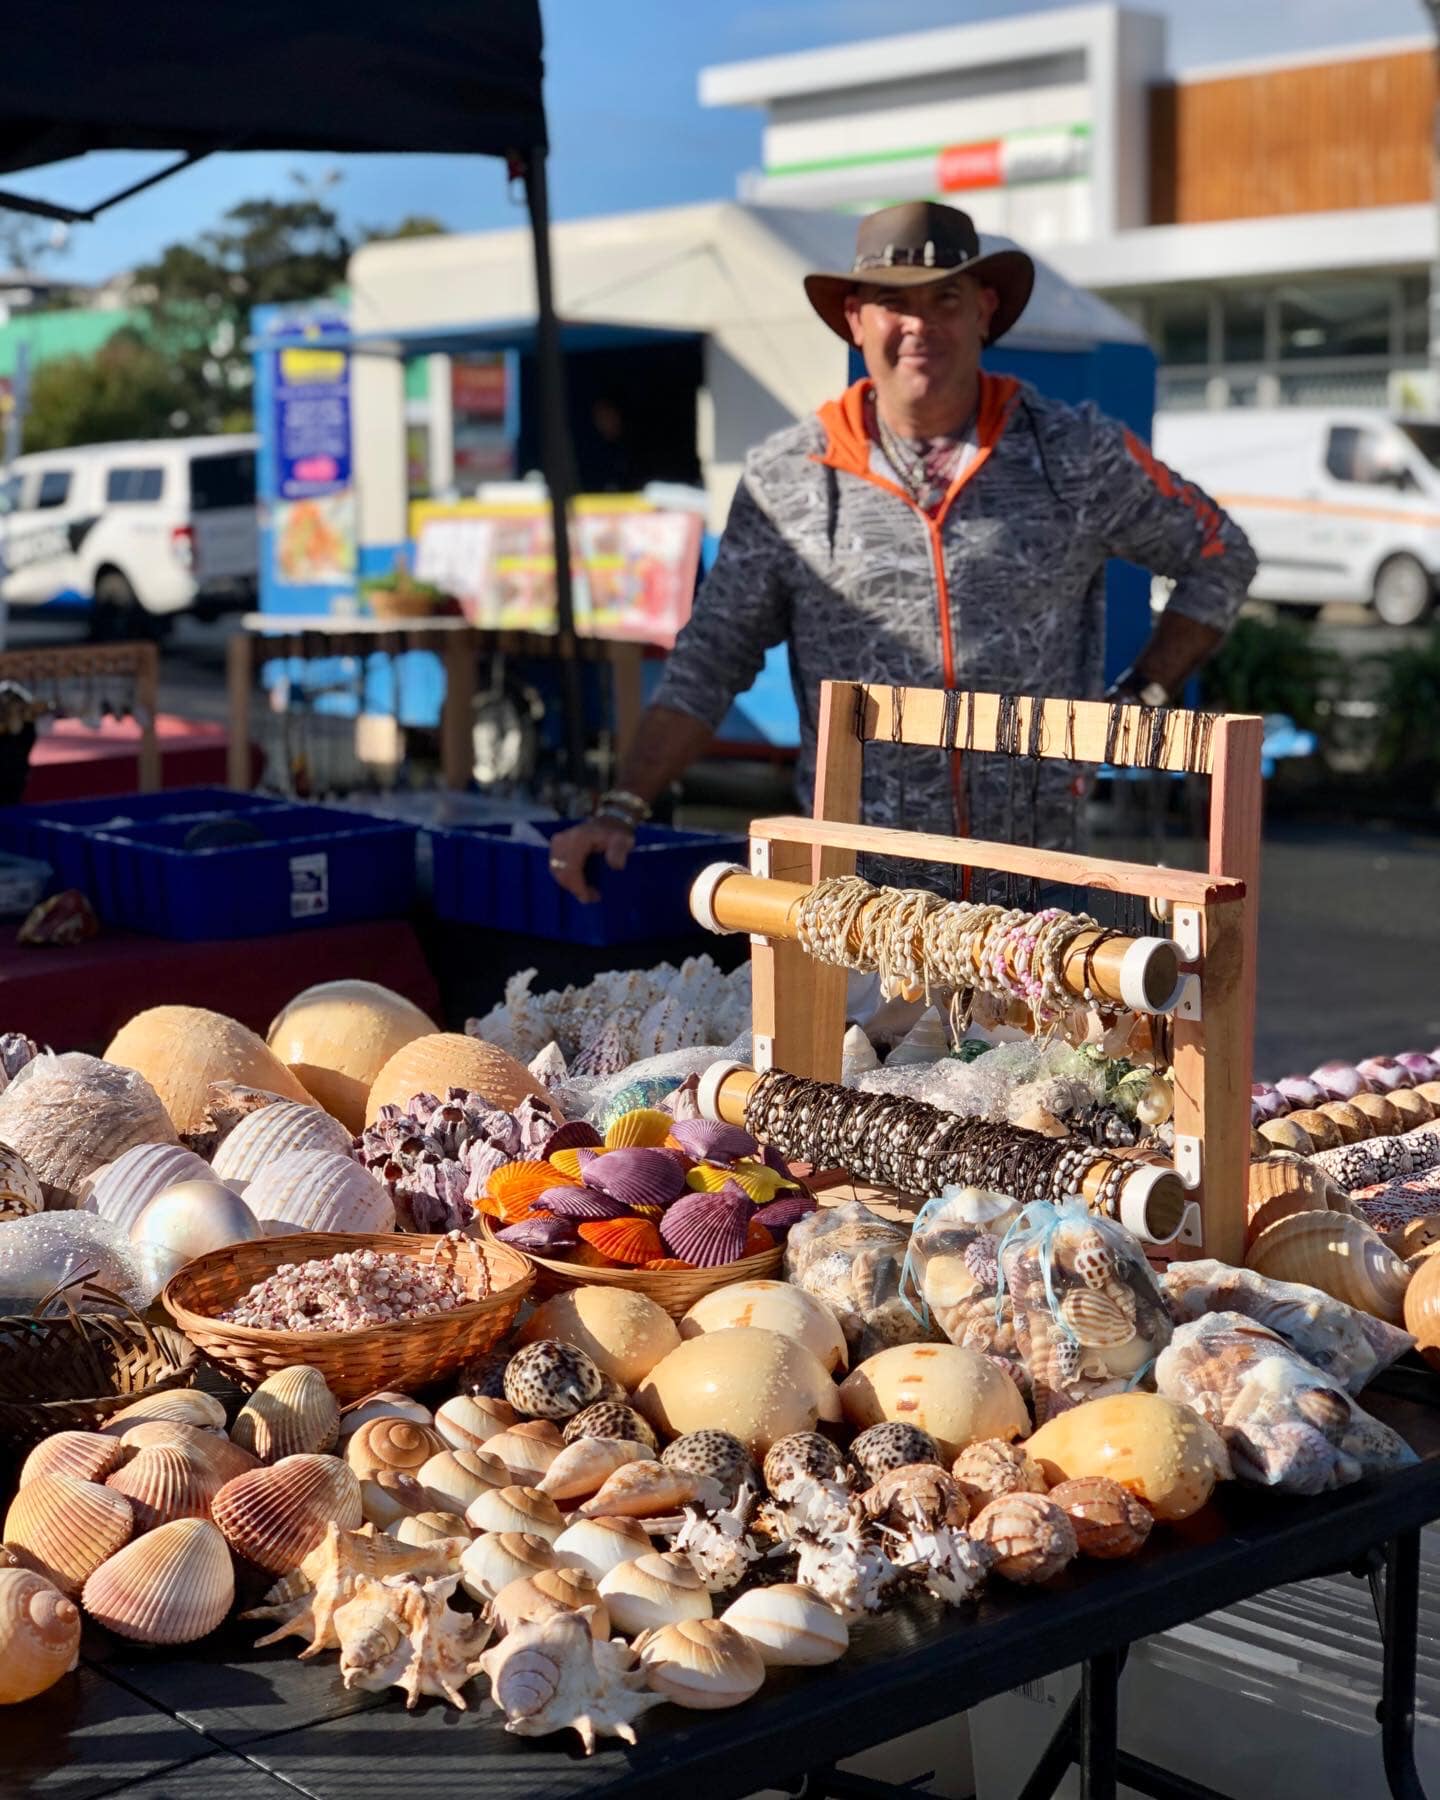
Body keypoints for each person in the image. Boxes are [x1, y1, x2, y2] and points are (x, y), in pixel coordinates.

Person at [547, 201, 1256, 902]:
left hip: (1035, 899)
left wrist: (1143, 695)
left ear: (984, 310)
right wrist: (622, 808)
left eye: (944, 299)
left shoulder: (1075, 453)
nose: (919, 326)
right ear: (855, 320)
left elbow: (1220, 552)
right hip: (856, 905)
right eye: (892, 303)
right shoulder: (788, 479)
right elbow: (710, 658)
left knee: (1023, 1023)